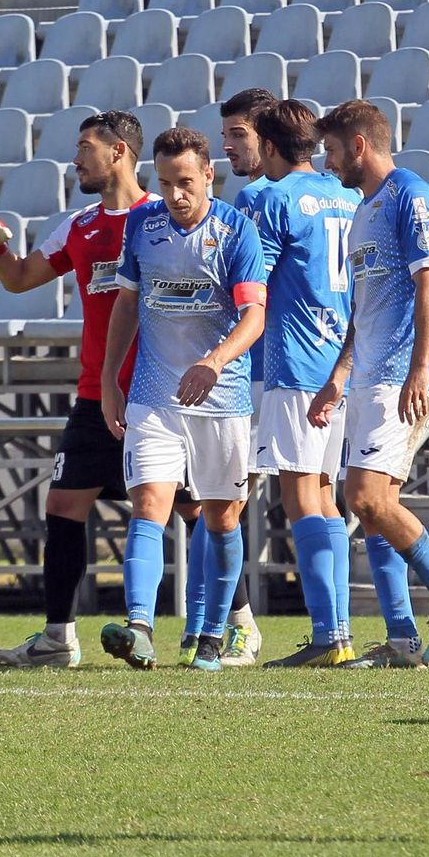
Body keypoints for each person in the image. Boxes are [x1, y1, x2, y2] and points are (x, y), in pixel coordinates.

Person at [0, 111, 159, 668]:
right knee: (63, 504)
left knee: (198, 511)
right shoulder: (78, 225)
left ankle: (236, 626)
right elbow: (20, 279)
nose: (75, 158)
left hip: (158, 392)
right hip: (93, 394)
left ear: (119, 153)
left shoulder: (162, 219)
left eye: (85, 147)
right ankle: (59, 638)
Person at [308, 100, 429, 668]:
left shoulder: (411, 193)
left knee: (365, 498)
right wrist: (339, 376)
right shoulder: (365, 209)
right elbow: (364, 308)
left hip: (399, 377)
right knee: (375, 506)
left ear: (358, 145)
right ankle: (404, 641)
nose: (328, 163)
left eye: (332, 151)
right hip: (365, 378)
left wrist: (418, 368)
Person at [98, 127, 269, 671]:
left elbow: (254, 316)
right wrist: (109, 380)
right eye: (167, 183)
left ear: (209, 176)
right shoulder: (141, 227)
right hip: (154, 394)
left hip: (221, 399)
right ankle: (140, 628)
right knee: (149, 504)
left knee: (222, 518)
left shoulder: (237, 232)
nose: (175, 195)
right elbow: (126, 305)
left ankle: (212, 640)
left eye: (186, 182)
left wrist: (213, 362)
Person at [237, 100, 365, 667]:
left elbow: (250, 284)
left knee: (299, 495)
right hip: (342, 359)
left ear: (267, 145)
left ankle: (326, 636)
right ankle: (336, 632)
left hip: (294, 362)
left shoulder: (274, 199)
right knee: (325, 496)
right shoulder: (349, 195)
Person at [173, 87, 281, 667]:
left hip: (265, 374)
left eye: (238, 134)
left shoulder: (261, 203)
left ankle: (236, 626)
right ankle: (207, 622)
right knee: (205, 502)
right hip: (240, 373)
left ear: (266, 136)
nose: (228, 145)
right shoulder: (248, 200)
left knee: (227, 506)